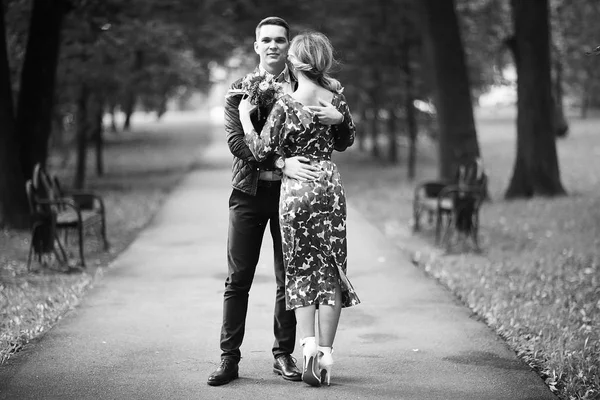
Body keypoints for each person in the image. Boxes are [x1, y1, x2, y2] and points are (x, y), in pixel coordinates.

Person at [207, 17, 354, 387]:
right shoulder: (240, 89)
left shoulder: (306, 83)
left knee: (288, 277)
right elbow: (237, 143)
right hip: (250, 192)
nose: (273, 45)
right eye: (266, 40)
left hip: (290, 197)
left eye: (280, 40)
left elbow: (339, 131)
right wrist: (280, 161)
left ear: (289, 47)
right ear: (256, 46)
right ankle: (229, 358)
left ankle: (284, 354)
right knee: (238, 278)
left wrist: (338, 120)